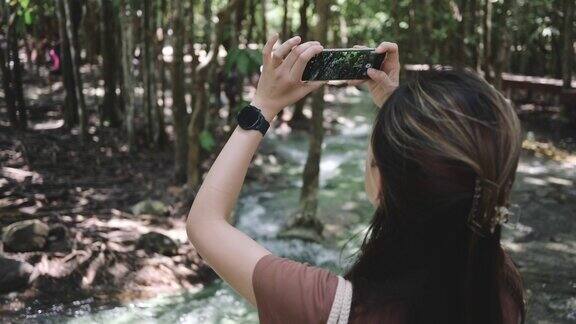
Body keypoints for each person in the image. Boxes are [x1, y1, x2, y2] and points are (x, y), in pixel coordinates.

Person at [186, 34, 525, 324]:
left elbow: (205, 224)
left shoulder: (330, 307)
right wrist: (404, 117)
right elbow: (455, 190)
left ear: (381, 184)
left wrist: (263, 105)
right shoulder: (501, 290)